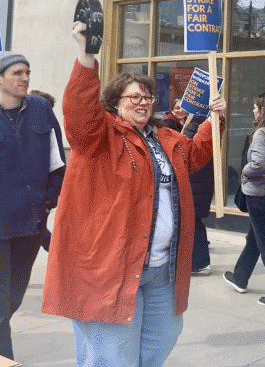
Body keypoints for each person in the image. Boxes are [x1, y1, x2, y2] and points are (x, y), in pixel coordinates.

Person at [42, 22, 226, 367]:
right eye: (134, 97)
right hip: (111, 269)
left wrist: (214, 119)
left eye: (148, 96)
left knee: (160, 342)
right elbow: (80, 109)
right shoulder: (98, 136)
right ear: (115, 103)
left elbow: (197, 154)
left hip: (161, 270)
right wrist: (86, 55)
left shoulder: (165, 137)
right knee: (115, 356)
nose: (143, 102)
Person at [0, 53, 65, 360]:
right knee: (0, 305)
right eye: (16, 72)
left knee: (12, 299)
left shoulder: (40, 109)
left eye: (27, 72)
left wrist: (48, 201)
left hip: (31, 224)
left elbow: (58, 161)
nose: (24, 78)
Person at [223, 92, 265, 306]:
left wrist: (244, 172)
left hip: (259, 195)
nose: (253, 111)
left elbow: (259, 164)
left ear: (263, 110)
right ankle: (240, 277)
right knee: (256, 237)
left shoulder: (262, 133)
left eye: (255, 108)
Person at [163, 98, 214, 275]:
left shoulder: (192, 128)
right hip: (199, 184)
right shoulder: (191, 126)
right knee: (194, 223)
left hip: (193, 184)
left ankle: (198, 262)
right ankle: (197, 261)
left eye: (183, 108)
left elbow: (188, 155)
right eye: (177, 107)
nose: (181, 111)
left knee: (193, 223)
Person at [28, 89, 63, 253]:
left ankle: (60, 253)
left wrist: (49, 200)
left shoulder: (50, 131)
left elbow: (58, 167)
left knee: (37, 233)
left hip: (41, 197)